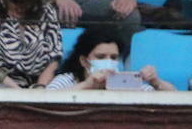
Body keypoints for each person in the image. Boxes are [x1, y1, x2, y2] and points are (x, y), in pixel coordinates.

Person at [46, 24, 176, 90]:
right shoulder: (68, 80)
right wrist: (87, 85)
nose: (108, 62)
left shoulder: (123, 81)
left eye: (113, 57)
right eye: (101, 57)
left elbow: (176, 100)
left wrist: (156, 82)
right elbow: (46, 100)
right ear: (84, 61)